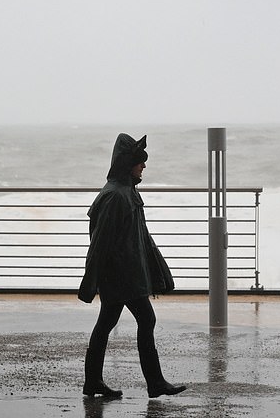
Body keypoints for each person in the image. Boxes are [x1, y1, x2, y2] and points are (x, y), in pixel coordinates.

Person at [78, 133, 187, 398]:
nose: (144, 166)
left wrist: (154, 267)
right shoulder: (116, 196)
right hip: (122, 277)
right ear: (128, 163)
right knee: (146, 319)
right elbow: (100, 243)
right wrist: (89, 283)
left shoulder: (125, 192)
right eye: (140, 161)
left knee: (106, 324)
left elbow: (139, 238)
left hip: (124, 275)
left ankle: (93, 382)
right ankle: (155, 382)